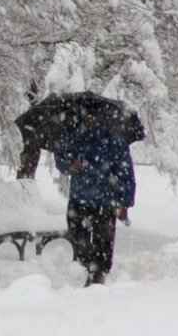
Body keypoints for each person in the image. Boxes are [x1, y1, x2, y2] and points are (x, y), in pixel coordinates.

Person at [54, 110, 136, 287]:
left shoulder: (114, 137)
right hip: (81, 197)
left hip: (105, 200)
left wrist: (125, 202)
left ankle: (98, 274)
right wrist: (70, 165)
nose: (91, 118)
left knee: (103, 241)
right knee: (79, 237)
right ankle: (88, 268)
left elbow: (125, 171)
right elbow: (60, 156)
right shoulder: (74, 132)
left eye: (94, 116)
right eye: (88, 116)